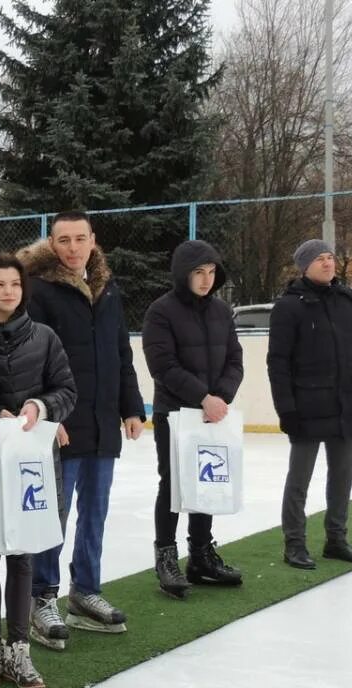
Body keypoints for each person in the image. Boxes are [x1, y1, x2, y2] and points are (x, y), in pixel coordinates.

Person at [18, 212, 145, 645]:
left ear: (93, 241)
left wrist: (131, 406)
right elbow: (32, 359)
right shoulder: (39, 292)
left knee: (96, 513)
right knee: (54, 515)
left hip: (102, 422)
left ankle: (86, 590)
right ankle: (42, 596)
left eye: (80, 239)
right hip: (62, 425)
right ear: (52, 244)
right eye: (63, 240)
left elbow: (120, 352)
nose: (72, 248)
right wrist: (48, 417)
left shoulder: (107, 289)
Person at [0, 254, 76, 688]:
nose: (8, 292)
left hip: (29, 464)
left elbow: (66, 389)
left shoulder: (44, 338)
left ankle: (19, 649)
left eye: (14, 284)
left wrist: (39, 408)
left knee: (23, 555)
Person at [141, 240, 245, 598]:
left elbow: (235, 359)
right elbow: (163, 366)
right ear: (183, 274)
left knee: (206, 482)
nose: (205, 279)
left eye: (211, 272)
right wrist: (202, 397)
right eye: (198, 272)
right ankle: (166, 558)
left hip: (212, 414)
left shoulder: (221, 311)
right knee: (173, 485)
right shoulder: (161, 312)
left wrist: (220, 399)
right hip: (175, 413)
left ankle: (201, 556)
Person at [267, 239, 352, 569]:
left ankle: (336, 539)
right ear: (304, 266)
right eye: (320, 259)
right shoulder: (289, 307)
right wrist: (286, 409)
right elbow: (278, 363)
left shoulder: (347, 302)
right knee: (299, 478)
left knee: (342, 476)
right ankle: (295, 543)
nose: (328, 263)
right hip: (306, 408)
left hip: (347, 404)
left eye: (330, 258)